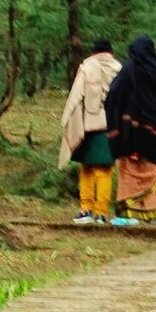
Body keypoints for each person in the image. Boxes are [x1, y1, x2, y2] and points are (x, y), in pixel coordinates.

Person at [103, 33, 156, 224]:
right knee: (149, 167)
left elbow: (114, 94)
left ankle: (129, 214)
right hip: (153, 129)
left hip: (130, 132)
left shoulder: (130, 69)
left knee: (129, 167)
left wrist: (117, 117)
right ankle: (152, 213)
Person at [59, 38, 122, 224]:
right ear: (111, 53)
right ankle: (102, 212)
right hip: (111, 126)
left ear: (94, 52)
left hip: (88, 125)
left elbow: (75, 97)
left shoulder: (87, 67)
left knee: (86, 167)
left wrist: (66, 119)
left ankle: (85, 209)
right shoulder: (120, 69)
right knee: (104, 169)